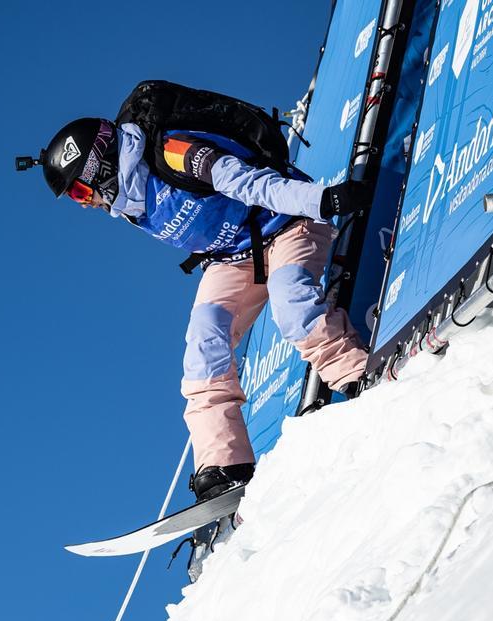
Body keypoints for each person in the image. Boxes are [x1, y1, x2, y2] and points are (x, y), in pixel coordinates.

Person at [24, 116, 370, 503]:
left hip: (289, 224)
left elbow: (246, 182)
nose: (87, 204)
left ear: (99, 166)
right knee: (203, 343)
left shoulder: (172, 154)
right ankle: (225, 464)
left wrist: (320, 200)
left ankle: (358, 375)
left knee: (291, 300)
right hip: (233, 259)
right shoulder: (129, 203)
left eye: (81, 193)